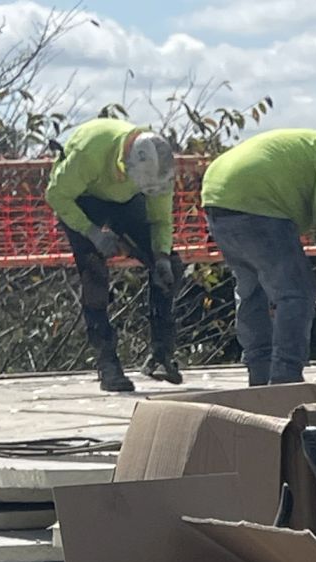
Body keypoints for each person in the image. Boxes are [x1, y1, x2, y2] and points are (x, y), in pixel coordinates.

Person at [200, 118, 316, 387]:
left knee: (253, 291)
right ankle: (285, 378)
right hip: (259, 205)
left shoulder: (313, 148)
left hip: (217, 201)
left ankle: (260, 373)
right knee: (298, 293)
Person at [45, 120, 181, 395]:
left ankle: (161, 355)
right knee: (94, 271)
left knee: (170, 269)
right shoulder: (90, 151)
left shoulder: (157, 171)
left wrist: (162, 256)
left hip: (127, 201)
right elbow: (57, 195)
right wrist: (92, 233)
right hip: (82, 200)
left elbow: (160, 219)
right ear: (126, 166)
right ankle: (107, 361)